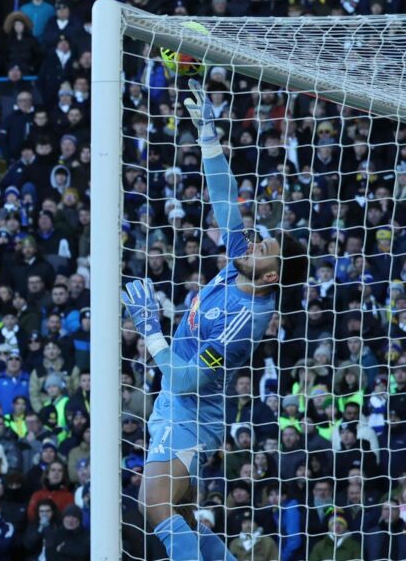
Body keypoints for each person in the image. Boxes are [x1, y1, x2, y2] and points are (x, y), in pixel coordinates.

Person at [120, 80, 309, 561]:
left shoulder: (246, 319)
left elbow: (186, 378)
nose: (254, 243)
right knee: (166, 510)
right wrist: (207, 134)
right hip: (175, 394)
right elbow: (226, 202)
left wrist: (150, 330)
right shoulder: (241, 266)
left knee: (155, 506)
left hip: (195, 411)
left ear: (271, 278)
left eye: (264, 249)